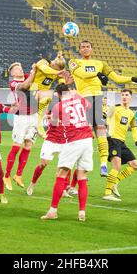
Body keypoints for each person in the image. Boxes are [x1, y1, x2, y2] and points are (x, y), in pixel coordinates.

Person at [68, 40, 137, 177]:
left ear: (92, 49)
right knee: (84, 137)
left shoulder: (100, 63)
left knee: (101, 131)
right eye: (83, 47)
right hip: (83, 99)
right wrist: (98, 74)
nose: (85, 49)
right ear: (79, 50)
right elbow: (81, 74)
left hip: (97, 98)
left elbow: (116, 77)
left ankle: (103, 164)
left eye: (88, 46)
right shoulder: (73, 62)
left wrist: (132, 79)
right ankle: (71, 168)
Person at [40, 84, 93, 221]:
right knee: (82, 176)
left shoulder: (58, 106)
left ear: (57, 95)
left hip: (73, 141)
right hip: (87, 140)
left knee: (61, 174)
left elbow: (54, 122)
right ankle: (82, 212)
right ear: (69, 91)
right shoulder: (79, 98)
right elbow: (89, 107)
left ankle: (53, 211)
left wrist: (48, 117)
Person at [103, 89, 137, 201]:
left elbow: (134, 128)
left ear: (131, 97)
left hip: (121, 142)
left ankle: (114, 183)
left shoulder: (131, 113)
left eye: (126, 95)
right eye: (122, 95)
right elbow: (106, 118)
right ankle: (107, 193)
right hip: (112, 139)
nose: (124, 97)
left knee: (135, 165)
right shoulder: (115, 108)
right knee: (116, 166)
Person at [3, 63, 37, 190]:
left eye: (21, 67)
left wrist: (37, 67)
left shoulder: (28, 76)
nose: (21, 69)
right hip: (21, 117)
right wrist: (33, 73)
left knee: (28, 145)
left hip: (33, 116)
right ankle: (6, 175)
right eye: (17, 68)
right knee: (17, 146)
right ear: (12, 73)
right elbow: (25, 86)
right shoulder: (13, 83)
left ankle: (18, 175)